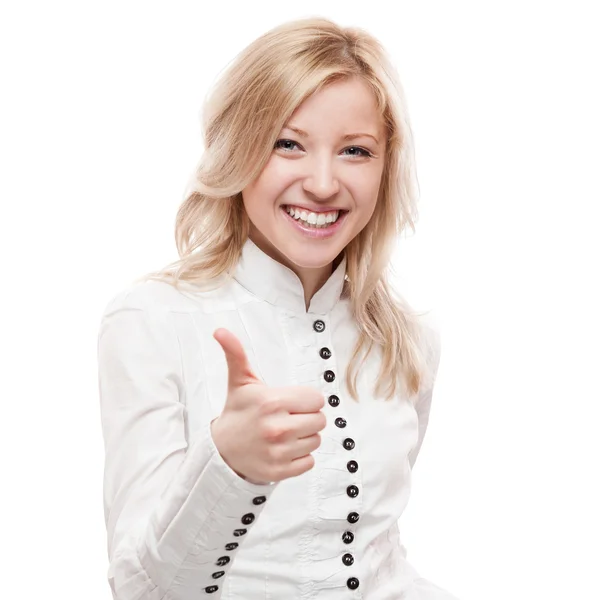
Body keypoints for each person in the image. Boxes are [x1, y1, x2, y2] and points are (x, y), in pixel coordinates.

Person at [96, 16, 460, 600]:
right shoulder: (150, 321)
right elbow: (142, 589)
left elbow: (376, 559)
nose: (322, 182)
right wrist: (227, 464)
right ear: (237, 148)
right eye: (287, 143)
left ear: (385, 167)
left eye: (355, 151)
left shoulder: (407, 339)